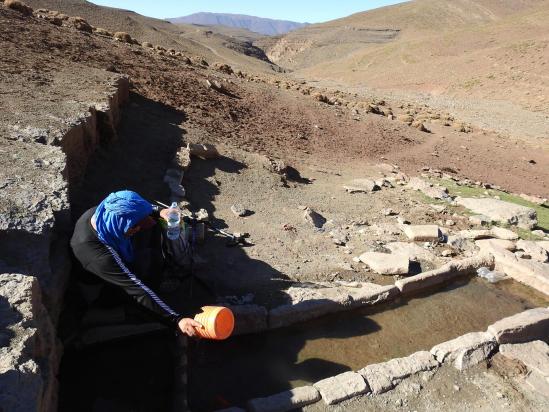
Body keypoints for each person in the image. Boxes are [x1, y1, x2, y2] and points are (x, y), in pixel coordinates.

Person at [70, 190, 202, 337]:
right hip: (101, 288)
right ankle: (121, 313)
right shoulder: (100, 256)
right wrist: (177, 320)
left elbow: (140, 209)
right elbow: (135, 288)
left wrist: (161, 212)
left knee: (153, 228)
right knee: (142, 286)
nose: (137, 228)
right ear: (122, 225)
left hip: (114, 261)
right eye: (134, 226)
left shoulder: (105, 213)